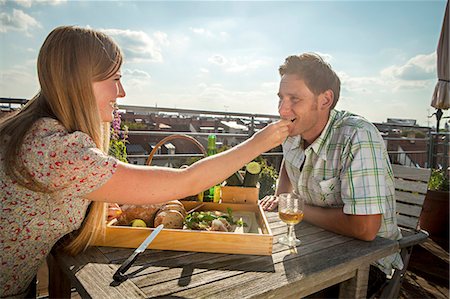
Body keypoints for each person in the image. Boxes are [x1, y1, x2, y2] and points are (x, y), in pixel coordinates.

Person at [0, 26, 292, 298]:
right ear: (79, 81)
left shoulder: (36, 132)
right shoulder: (57, 151)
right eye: (115, 79)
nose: (122, 92)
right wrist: (260, 142)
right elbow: (185, 182)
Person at [260, 53, 403, 296]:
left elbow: (365, 228)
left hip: (367, 262)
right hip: (314, 243)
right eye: (281, 98)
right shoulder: (295, 130)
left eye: (294, 98)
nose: (283, 110)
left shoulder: (357, 136)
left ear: (325, 99)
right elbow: (288, 162)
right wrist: (282, 196)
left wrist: (297, 210)